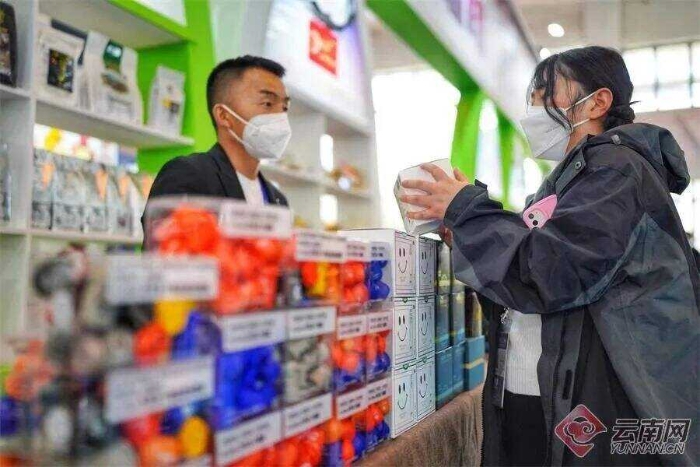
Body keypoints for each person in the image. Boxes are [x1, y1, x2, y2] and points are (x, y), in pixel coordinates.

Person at [400, 46, 699, 466]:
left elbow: (552, 272)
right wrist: (466, 233)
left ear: (597, 102)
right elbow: (522, 279)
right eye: (532, 98)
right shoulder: (569, 179)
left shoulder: (615, 171)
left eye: (545, 95)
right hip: (542, 391)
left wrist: (469, 211)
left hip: (592, 401)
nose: (533, 111)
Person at [144, 55, 291, 212]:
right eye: (267, 103)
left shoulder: (279, 201)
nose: (280, 116)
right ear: (223, 115)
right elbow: (164, 226)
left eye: (284, 107)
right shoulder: (187, 175)